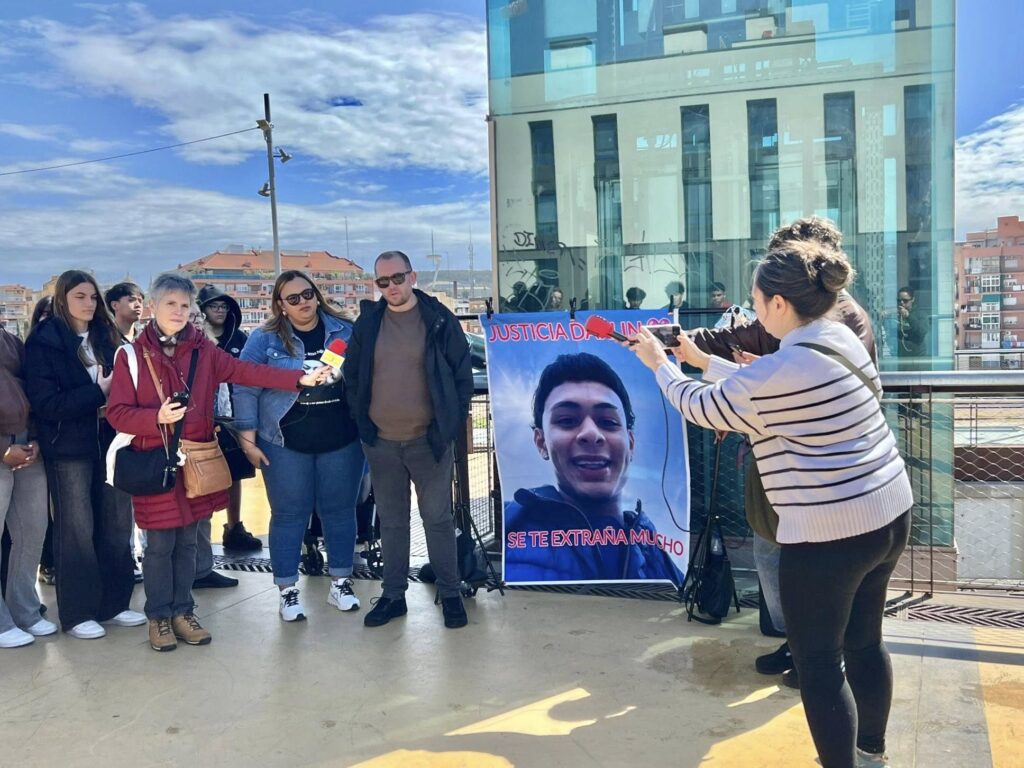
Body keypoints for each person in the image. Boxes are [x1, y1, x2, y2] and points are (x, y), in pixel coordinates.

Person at [626, 240, 911, 768]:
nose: (752, 312)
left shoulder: (787, 363)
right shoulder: (835, 339)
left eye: (756, 303)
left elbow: (701, 407)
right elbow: (767, 388)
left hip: (830, 535)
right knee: (865, 643)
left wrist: (659, 365)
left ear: (780, 304)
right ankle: (873, 753)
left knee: (820, 666)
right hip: (888, 513)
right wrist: (702, 359)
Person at [689, 216, 877, 687]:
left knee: (797, 562)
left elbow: (709, 400)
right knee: (775, 552)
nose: (755, 309)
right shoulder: (801, 320)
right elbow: (756, 355)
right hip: (791, 461)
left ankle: (819, 654)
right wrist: (690, 349)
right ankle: (802, 643)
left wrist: (663, 364)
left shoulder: (835, 323)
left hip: (815, 470)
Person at [106, 273, 328, 652]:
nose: (178, 311)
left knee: (190, 542)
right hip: (154, 462)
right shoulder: (130, 355)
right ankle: (159, 617)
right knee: (160, 545)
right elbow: (117, 413)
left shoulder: (204, 351)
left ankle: (183, 612)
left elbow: (248, 372)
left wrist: (299, 379)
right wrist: (155, 417)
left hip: (198, 461)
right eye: (170, 304)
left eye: (184, 305)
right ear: (153, 307)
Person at [343, 250, 473, 629]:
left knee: (436, 518)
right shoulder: (368, 323)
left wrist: (449, 424)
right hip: (381, 443)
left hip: (428, 442)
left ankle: (450, 593)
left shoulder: (439, 320)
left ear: (412, 277)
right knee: (393, 522)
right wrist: (362, 421)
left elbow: (461, 376)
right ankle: (393, 595)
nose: (391, 287)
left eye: (397, 278)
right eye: (382, 281)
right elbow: (353, 375)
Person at [233, 270, 365, 623]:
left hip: (341, 439)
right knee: (289, 516)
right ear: (280, 305)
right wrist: (247, 439)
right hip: (283, 442)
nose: (303, 302)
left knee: (340, 512)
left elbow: (368, 375)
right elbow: (244, 385)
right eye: (293, 298)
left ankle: (341, 582)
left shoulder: (345, 330)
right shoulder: (264, 340)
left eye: (307, 294)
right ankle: (288, 590)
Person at [25, 270, 145, 639]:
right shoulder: (44, 343)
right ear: (63, 299)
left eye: (93, 297)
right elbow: (46, 404)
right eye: (80, 296)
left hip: (111, 444)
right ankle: (78, 613)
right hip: (69, 448)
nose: (89, 304)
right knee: (76, 530)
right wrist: (99, 393)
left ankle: (115, 603)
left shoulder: (108, 337)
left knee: (116, 525)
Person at [504, 352, 685, 584]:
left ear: (630, 444)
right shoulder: (516, 536)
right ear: (541, 442)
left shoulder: (652, 548)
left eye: (608, 422)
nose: (591, 434)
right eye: (567, 420)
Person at [196, 285, 264, 557]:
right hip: (203, 417)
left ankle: (234, 526)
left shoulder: (240, 338)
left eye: (224, 306)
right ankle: (202, 535)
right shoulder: (196, 338)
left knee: (234, 474)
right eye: (214, 306)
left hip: (233, 415)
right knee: (203, 475)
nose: (220, 311)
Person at [0, 324, 55, 648]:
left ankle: (24, 610)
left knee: (32, 531)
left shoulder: (11, 341)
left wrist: (34, 438)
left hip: (26, 445)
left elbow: (31, 390)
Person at [104, 282, 146, 584]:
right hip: (110, 432)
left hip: (140, 430)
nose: (138, 304)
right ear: (114, 305)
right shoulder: (105, 341)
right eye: (131, 299)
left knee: (139, 500)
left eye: (141, 299)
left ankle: (139, 554)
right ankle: (124, 559)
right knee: (117, 506)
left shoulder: (142, 341)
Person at [896, 286, 927, 357]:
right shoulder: (896, 315)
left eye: (905, 300)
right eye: (899, 300)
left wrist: (908, 316)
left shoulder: (920, 314)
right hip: (901, 357)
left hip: (918, 356)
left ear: (912, 299)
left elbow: (922, 331)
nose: (902, 303)